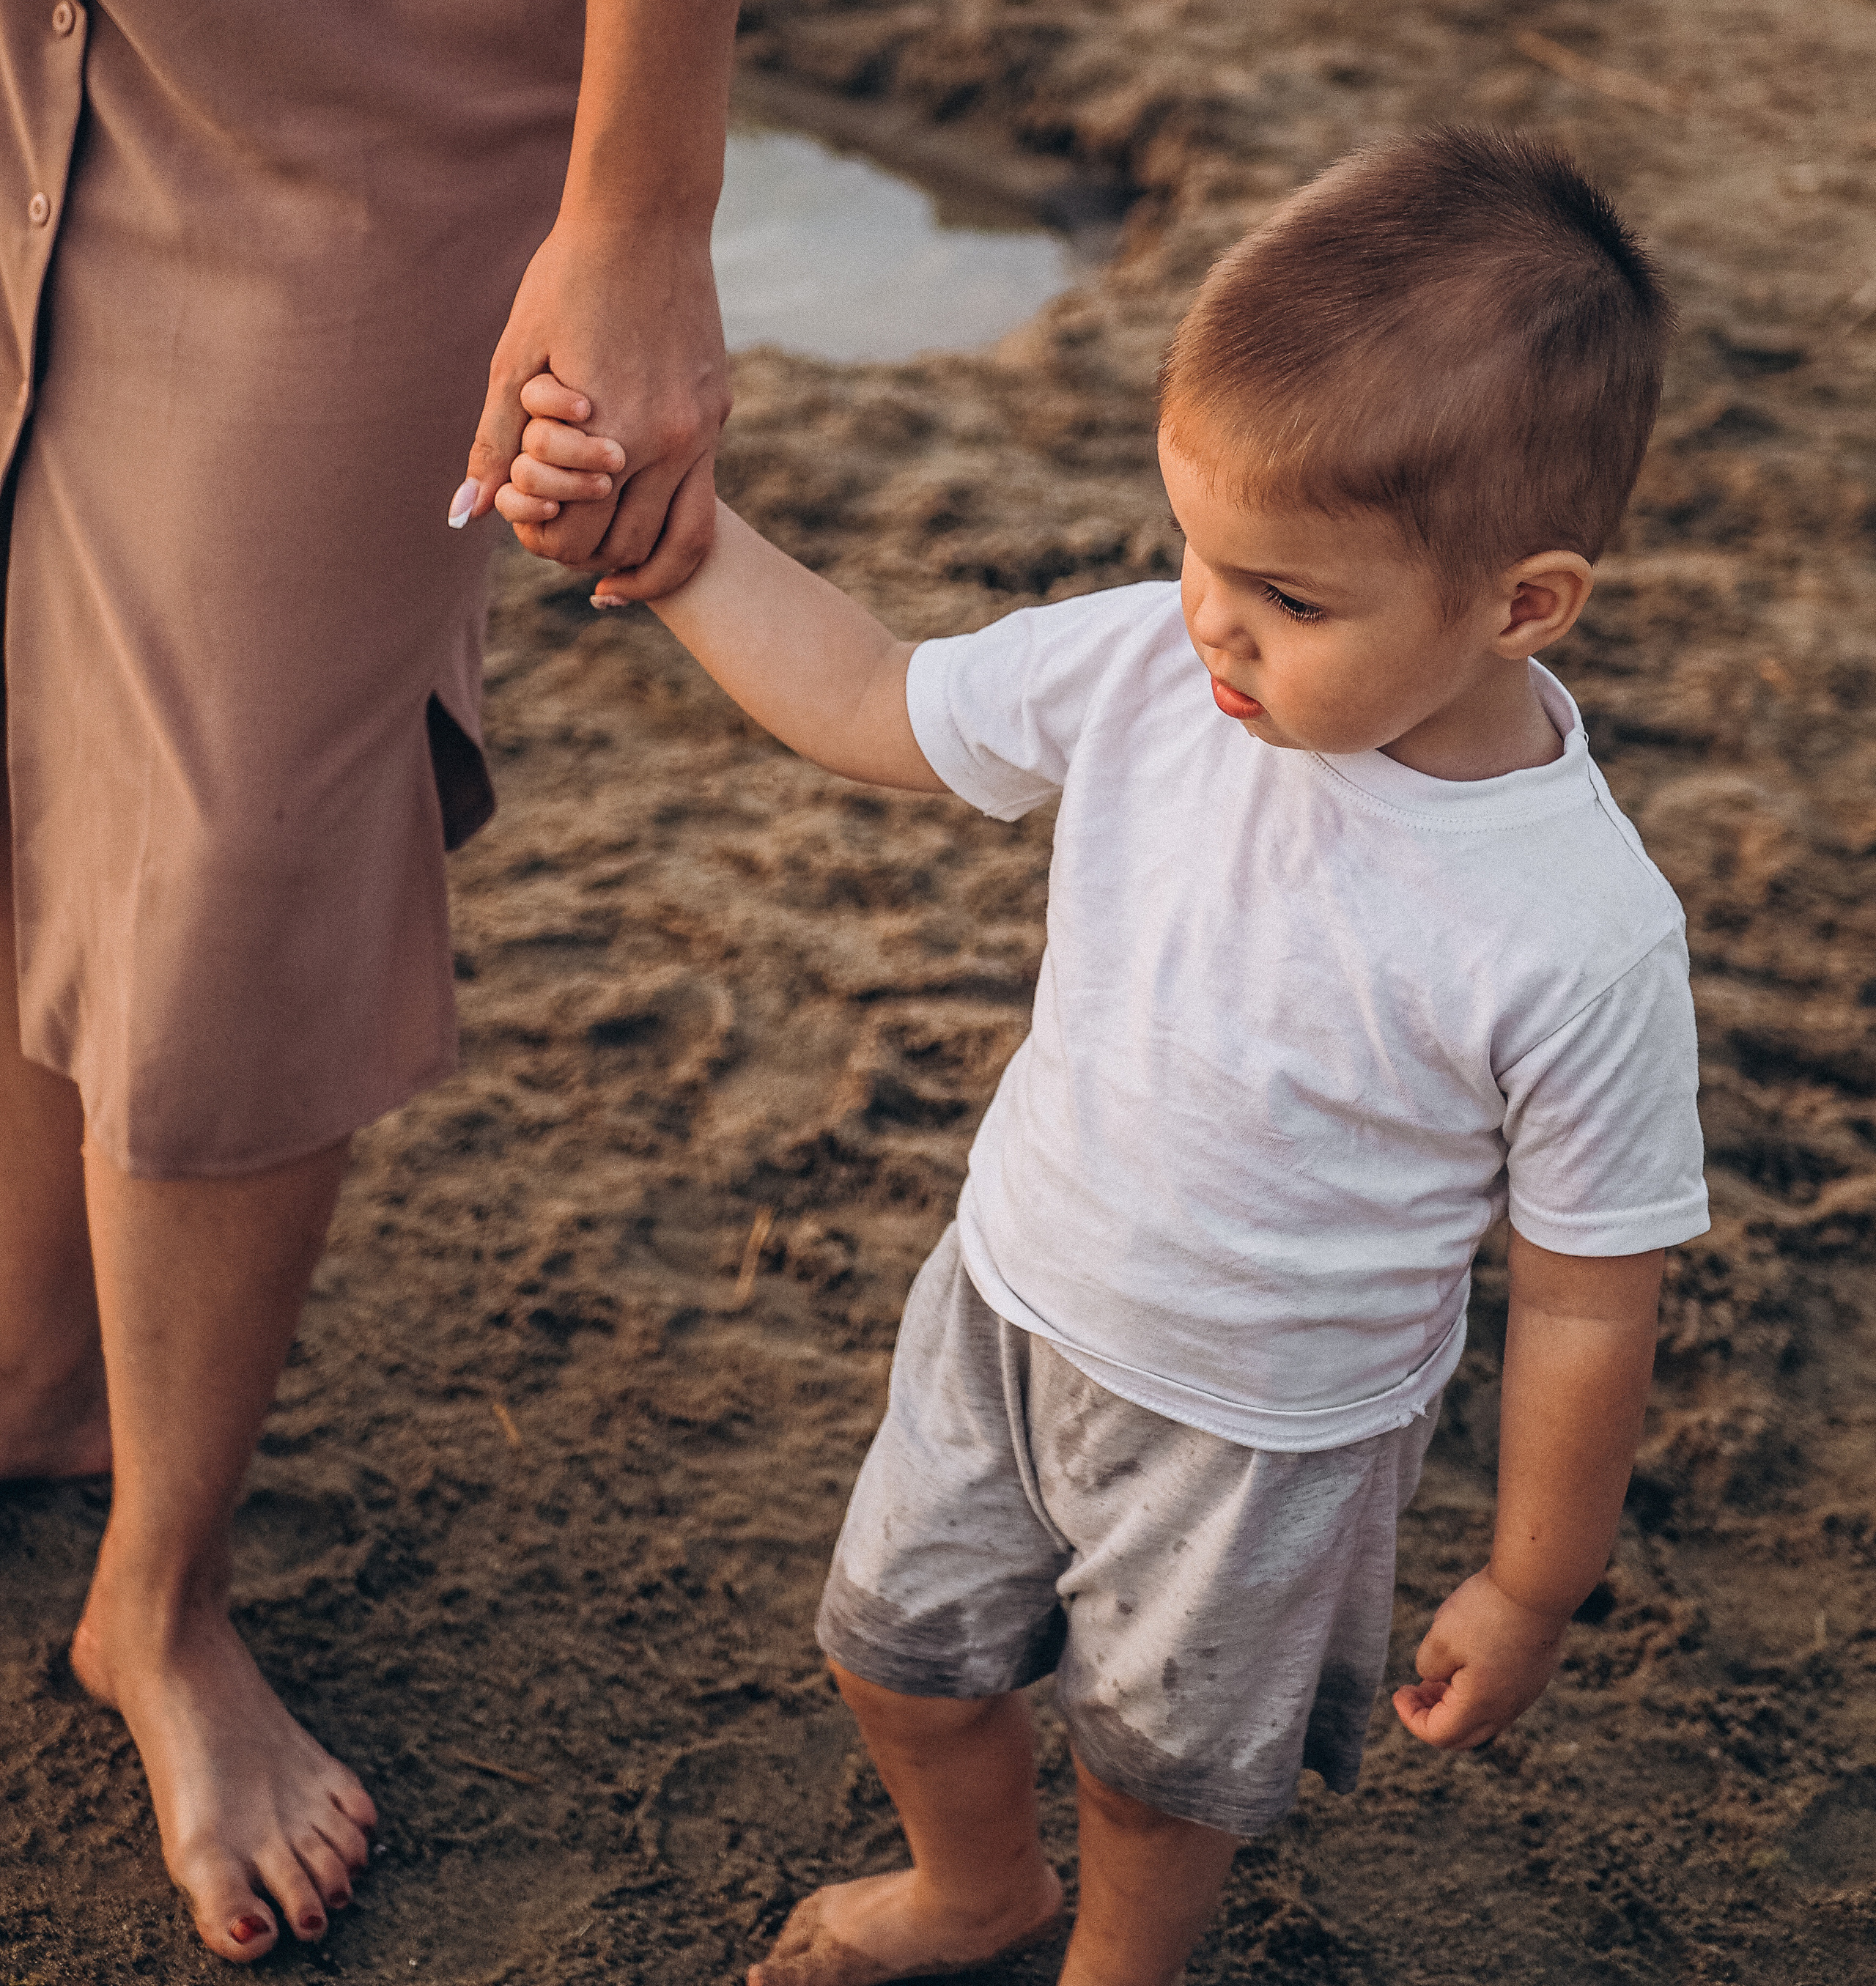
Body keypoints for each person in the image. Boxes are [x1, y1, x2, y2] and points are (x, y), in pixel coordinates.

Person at [496, 128, 1710, 1986]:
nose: (1212, 621)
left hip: (1261, 1431)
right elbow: (866, 699)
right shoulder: (1157, 665)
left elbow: (1580, 1299)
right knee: (892, 1652)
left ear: (1520, 604)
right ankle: (973, 1885)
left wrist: (1529, 1580)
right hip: (1003, 1301)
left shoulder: (1576, 931)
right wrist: (677, 546)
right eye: (1195, 553)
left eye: (1292, 600)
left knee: (1158, 1780)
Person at [0, 0, 789, 1965]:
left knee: (241, 817)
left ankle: (163, 1590)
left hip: (370, 26)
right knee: (38, 730)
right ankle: (29, 1373)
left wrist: (644, 206)